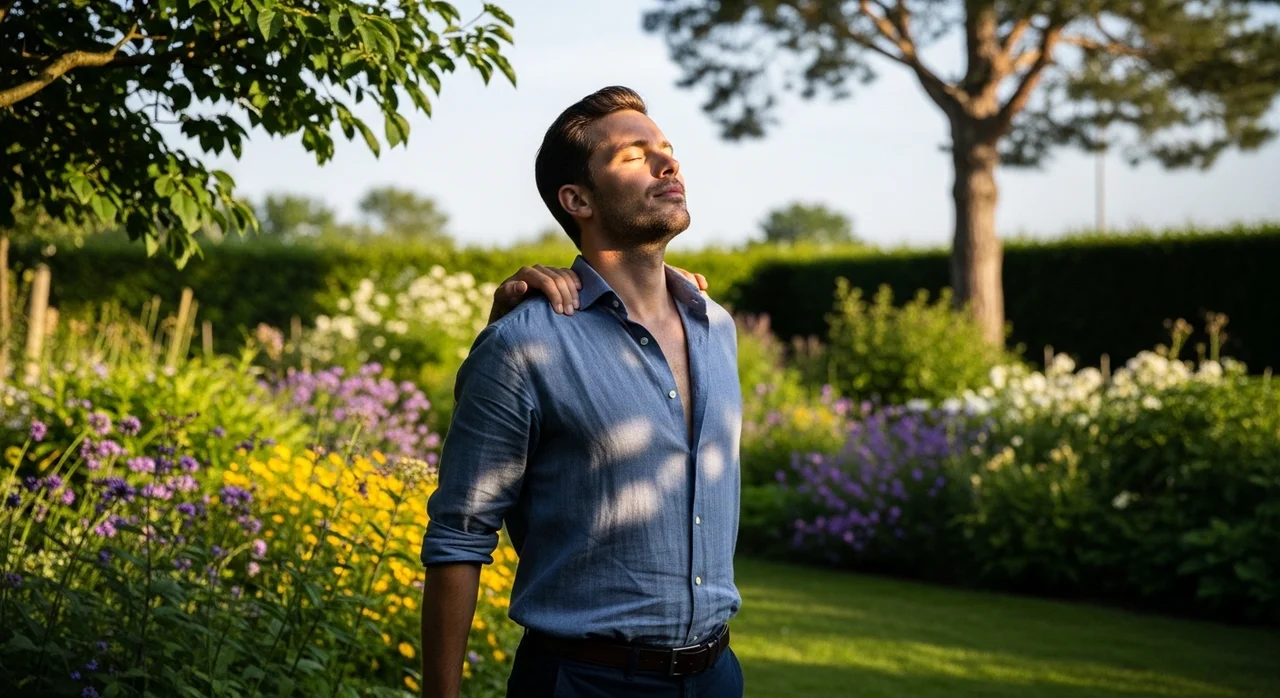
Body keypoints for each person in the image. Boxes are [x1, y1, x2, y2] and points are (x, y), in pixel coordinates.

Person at [419, 85, 744, 698]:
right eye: (633, 155)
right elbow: (459, 535)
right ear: (578, 199)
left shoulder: (717, 328)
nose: (667, 163)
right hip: (584, 683)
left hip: (718, 677)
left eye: (666, 149)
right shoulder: (524, 342)